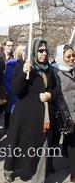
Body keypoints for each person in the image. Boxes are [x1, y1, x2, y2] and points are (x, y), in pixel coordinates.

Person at [3, 38, 57, 183]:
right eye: (40, 51)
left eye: (45, 50)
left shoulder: (49, 68)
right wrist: (23, 73)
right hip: (24, 114)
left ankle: (32, 173)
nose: (44, 53)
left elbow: (55, 88)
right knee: (17, 143)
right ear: (33, 52)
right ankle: (9, 169)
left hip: (41, 115)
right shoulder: (23, 66)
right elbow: (16, 90)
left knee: (37, 146)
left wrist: (50, 95)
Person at [52, 44, 75, 182]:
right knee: (54, 141)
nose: (72, 58)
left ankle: (73, 172)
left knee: (73, 142)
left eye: (74, 55)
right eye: (68, 56)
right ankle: (49, 165)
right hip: (59, 113)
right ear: (61, 56)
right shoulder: (54, 71)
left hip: (73, 113)